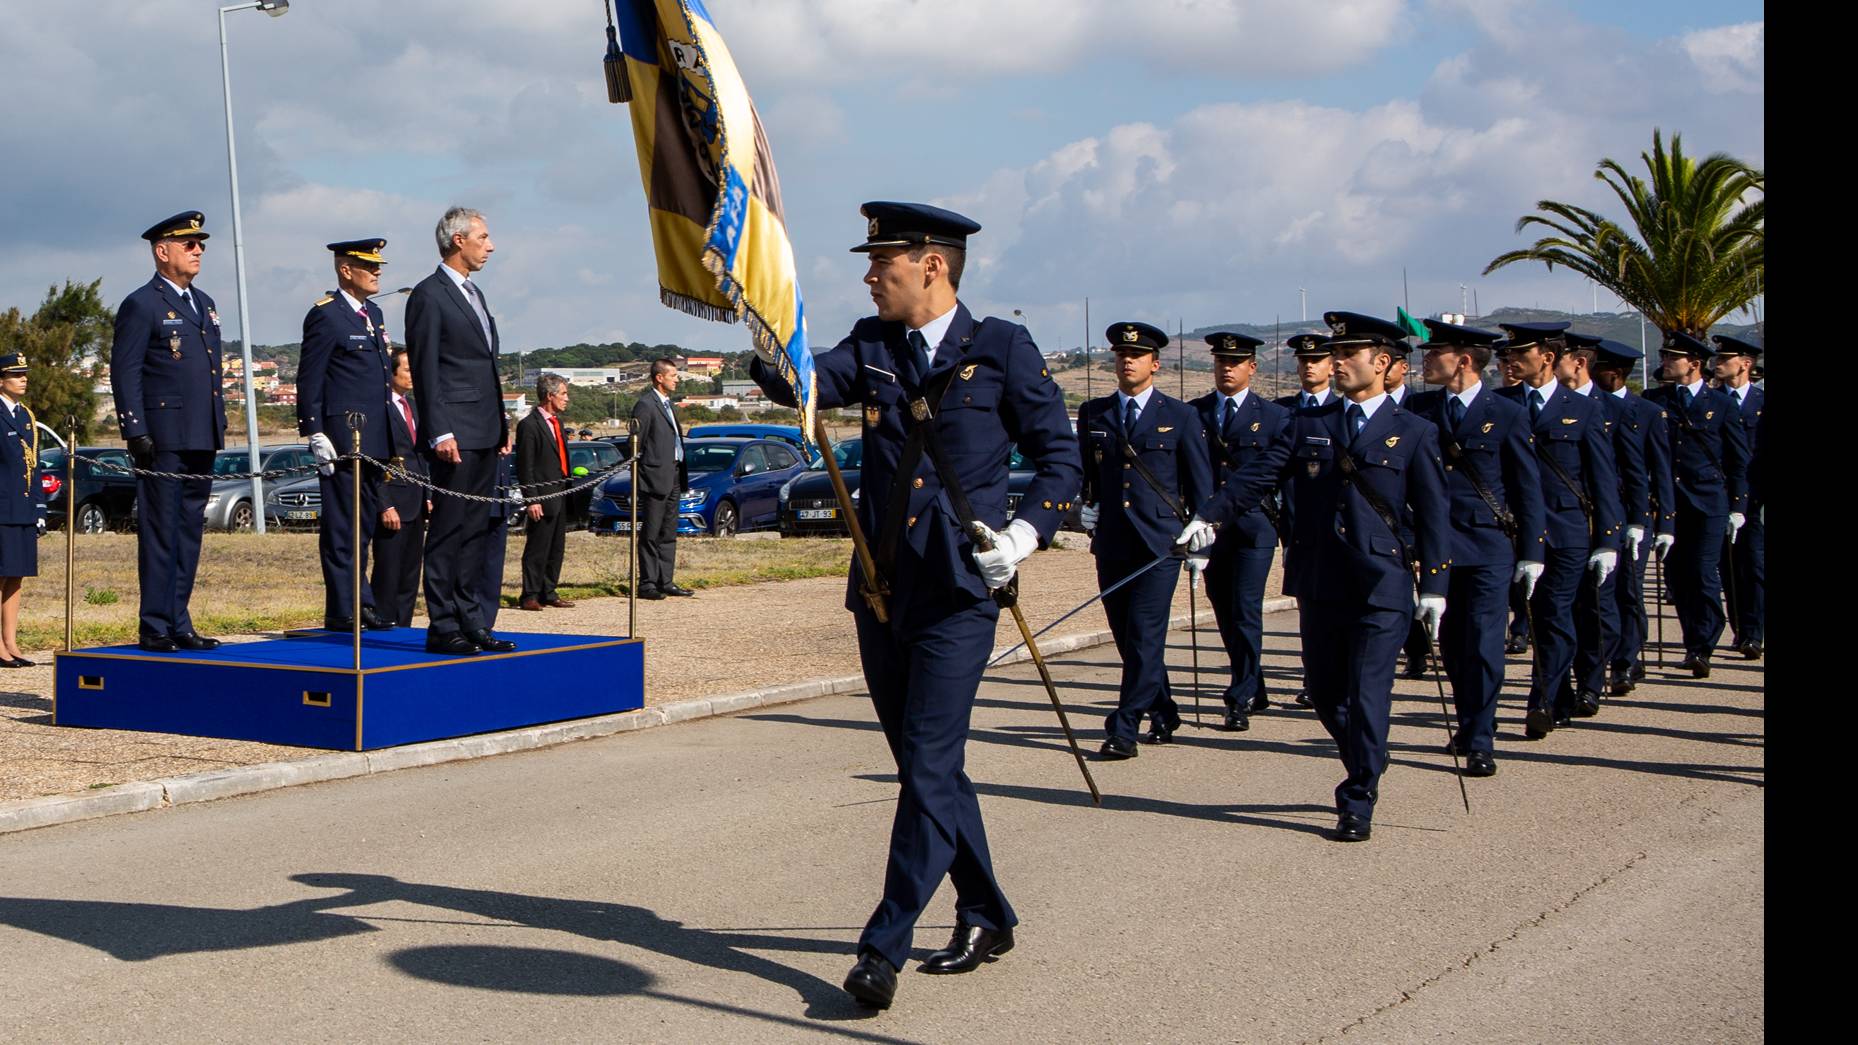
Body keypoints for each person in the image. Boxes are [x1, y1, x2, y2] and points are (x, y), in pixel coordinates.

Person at [747, 201, 1080, 1009]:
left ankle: (883, 946)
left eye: (881, 262)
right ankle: (986, 909)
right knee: (927, 766)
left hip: (961, 592)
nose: (868, 276)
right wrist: (756, 315)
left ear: (931, 263)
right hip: (883, 588)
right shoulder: (873, 347)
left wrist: (1026, 535)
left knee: (929, 761)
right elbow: (795, 379)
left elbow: (1062, 459)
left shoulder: (1000, 346)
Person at [1202, 312, 1450, 841]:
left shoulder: (1414, 431)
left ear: (1381, 363)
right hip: (1319, 581)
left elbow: (1432, 516)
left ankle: (1358, 794)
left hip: (1381, 585)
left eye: (1348, 355)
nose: (1336, 364)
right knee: (1324, 690)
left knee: (1365, 693)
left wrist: (1434, 586)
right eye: (1334, 355)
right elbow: (1258, 476)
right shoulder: (1308, 425)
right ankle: (1370, 755)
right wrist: (1210, 516)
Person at [1407, 322, 1547, 776]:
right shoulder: (1419, 407)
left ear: (1464, 360)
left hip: (1488, 543)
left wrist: (1532, 551)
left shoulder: (1504, 411)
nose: (1425, 360)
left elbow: (1527, 488)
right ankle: (1469, 720)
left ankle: (1481, 735)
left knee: (1485, 641)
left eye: (1436, 353)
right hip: (1438, 543)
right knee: (1450, 642)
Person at [1076, 321, 1214, 757]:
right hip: (1113, 539)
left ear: (1154, 364)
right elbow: (1087, 473)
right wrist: (1084, 506)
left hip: (1162, 543)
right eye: (1120, 355)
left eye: (1136, 355)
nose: (1127, 361)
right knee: (1126, 635)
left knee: (1144, 634)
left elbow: (1200, 483)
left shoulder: (1180, 415)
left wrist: (1202, 541)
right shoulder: (1094, 414)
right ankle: (1165, 708)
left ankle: (1125, 727)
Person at [1494, 323, 1622, 737]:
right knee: (1527, 614)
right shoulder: (1501, 404)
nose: (1511, 359)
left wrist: (1607, 539)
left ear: (1547, 357)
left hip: (1564, 530)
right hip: (1513, 531)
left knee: (1553, 614)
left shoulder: (1582, 408)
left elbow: (1602, 480)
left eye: (1521, 351)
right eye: (1509, 352)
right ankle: (1561, 692)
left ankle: (1543, 700)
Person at [110, 211, 227, 653]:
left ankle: (179, 620)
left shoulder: (206, 302)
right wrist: (134, 430)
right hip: (163, 436)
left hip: (201, 432)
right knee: (161, 532)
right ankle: (155, 623)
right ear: (163, 252)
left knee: (188, 533)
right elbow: (126, 371)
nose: (198, 250)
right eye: (189, 244)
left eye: (201, 244)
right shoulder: (143, 303)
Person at [406, 207, 515, 656]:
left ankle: (473, 620)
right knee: (450, 529)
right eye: (483, 237)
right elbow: (427, 371)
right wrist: (439, 432)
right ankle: (443, 624)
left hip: (485, 430)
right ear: (458, 241)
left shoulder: (475, 294)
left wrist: (502, 425)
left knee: (476, 530)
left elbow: (485, 367)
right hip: (455, 433)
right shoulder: (429, 296)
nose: (490, 246)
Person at [1188, 332, 1291, 730]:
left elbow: (1282, 479)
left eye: (1235, 363)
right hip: (1210, 529)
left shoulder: (1275, 417)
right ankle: (1255, 681)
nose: (1227, 369)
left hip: (1254, 527)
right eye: (1220, 362)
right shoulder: (1194, 413)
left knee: (1245, 610)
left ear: (1252, 367)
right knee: (1224, 611)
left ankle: (1240, 693)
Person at [298, 238, 396, 631]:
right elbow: (310, 378)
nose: (377, 272)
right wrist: (314, 431)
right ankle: (347, 606)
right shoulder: (326, 315)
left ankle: (358, 600)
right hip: (343, 437)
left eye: (378, 266)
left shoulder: (373, 312)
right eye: (368, 266)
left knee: (364, 526)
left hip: (373, 438)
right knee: (343, 527)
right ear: (345, 269)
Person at [1644, 331, 1748, 677]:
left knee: (1703, 574)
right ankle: (1692, 641)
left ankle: (1704, 644)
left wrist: (1737, 505)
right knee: (1679, 577)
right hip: (1670, 504)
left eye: (1672, 358)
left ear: (1694, 363)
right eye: (1664, 357)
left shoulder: (1721, 404)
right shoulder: (1655, 400)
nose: (1665, 363)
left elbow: (1737, 460)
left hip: (1709, 502)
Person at [1589, 338, 1674, 693]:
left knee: (1629, 592)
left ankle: (1626, 661)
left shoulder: (1647, 412)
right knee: (1601, 593)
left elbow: (1658, 470)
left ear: (1617, 373)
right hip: (1599, 512)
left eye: (1601, 368)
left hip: (1632, 513)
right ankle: (1608, 660)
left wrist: (1660, 522)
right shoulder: (1586, 407)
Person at [1711, 334, 1763, 659]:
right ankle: (1740, 629)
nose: (1717, 364)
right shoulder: (1712, 402)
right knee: (1728, 567)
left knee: (1755, 565)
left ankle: (1755, 632)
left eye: (1724, 359)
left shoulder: (1761, 403)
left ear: (1744, 364)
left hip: (1756, 498)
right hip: (1719, 497)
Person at [370, 348, 429, 628]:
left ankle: (403, 626)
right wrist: (385, 504)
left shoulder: (414, 406)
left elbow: (422, 455)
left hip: (416, 500)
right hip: (393, 501)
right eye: (407, 369)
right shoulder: (380, 407)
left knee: (409, 573)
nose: (412, 375)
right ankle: (383, 624)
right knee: (388, 572)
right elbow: (376, 460)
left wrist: (428, 494)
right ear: (391, 372)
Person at [630, 359, 692, 600]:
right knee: (651, 532)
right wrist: (644, 475)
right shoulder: (646, 405)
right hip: (655, 477)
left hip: (674, 473)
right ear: (659, 377)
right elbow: (636, 444)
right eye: (673, 375)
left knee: (668, 531)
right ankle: (647, 583)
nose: (677, 379)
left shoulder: (667, 404)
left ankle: (665, 580)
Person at [517, 374, 576, 611]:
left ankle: (548, 591)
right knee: (537, 547)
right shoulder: (529, 425)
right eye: (563, 394)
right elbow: (525, 466)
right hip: (542, 496)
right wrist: (532, 499)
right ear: (549, 396)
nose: (566, 399)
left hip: (560, 493)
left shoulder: (557, 423)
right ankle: (529, 594)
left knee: (556, 546)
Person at [0, 354, 42, 667]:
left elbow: (33, 465)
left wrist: (38, 506)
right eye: (16, 375)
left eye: (25, 374)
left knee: (16, 576)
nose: (23, 379)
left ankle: (10, 643)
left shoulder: (26, 415)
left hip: (22, 505)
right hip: (2, 506)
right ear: (1, 380)